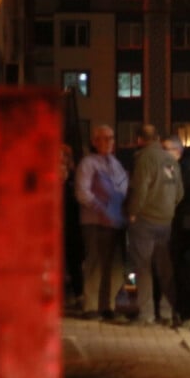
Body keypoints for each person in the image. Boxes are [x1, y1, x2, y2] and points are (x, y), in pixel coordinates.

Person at [126, 125, 184, 325]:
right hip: (166, 221)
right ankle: (167, 312)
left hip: (145, 220)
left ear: (139, 140)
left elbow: (140, 189)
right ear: (158, 138)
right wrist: (168, 209)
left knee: (143, 268)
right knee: (165, 269)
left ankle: (146, 314)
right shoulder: (170, 160)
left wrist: (133, 213)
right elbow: (180, 193)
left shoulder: (143, 158)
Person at [74, 125, 129, 320]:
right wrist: (101, 208)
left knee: (114, 266)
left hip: (115, 223)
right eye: (103, 138)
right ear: (94, 141)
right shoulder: (88, 163)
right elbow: (82, 192)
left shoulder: (116, 164)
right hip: (95, 222)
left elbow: (123, 189)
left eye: (111, 138)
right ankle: (91, 306)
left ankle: (108, 306)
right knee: (95, 263)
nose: (108, 142)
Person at [61, 143, 85, 312]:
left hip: (72, 225)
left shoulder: (74, 178)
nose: (61, 159)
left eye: (64, 156)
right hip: (55, 227)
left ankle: (78, 295)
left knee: (74, 262)